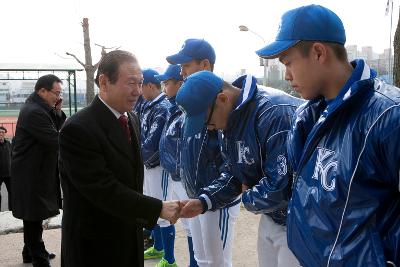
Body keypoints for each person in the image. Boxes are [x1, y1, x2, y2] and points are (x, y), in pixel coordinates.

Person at [255, 4, 400, 267]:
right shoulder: (308, 116)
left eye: (288, 63)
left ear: (319, 53)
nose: (286, 76)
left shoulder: (388, 115)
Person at [58, 50, 180, 267]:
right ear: (104, 82)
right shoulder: (78, 128)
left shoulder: (130, 118)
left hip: (127, 239)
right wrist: (157, 208)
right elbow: (102, 189)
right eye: (131, 83)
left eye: (140, 83)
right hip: (95, 246)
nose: (138, 91)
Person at [177, 71, 303, 267]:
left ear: (222, 99)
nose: (209, 128)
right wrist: (204, 201)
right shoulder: (229, 118)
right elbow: (235, 173)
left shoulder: (274, 112)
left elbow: (282, 186)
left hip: (298, 223)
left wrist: (248, 196)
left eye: (206, 121)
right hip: (272, 216)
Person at [167, 39, 240, 267]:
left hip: (216, 200)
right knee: (202, 259)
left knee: (217, 262)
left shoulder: (222, 107)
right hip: (196, 195)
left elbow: (231, 165)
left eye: (186, 66)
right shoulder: (191, 105)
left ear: (206, 65)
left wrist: (209, 197)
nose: (182, 72)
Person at [11, 74, 63, 267]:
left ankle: (29, 252)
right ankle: (39, 258)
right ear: (42, 91)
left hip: (35, 170)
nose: (58, 97)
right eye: (55, 93)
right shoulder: (34, 112)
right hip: (30, 172)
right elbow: (56, 139)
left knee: (34, 214)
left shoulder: (40, 108)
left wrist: (57, 112)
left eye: (60, 93)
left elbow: (54, 130)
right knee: (33, 215)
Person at [156, 64, 198, 267]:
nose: (164, 87)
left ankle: (192, 263)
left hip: (185, 177)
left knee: (194, 228)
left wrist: (179, 169)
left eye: (167, 83)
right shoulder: (172, 107)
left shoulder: (187, 109)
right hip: (175, 175)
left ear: (180, 84)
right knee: (189, 227)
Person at [139, 69, 178, 267]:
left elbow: (153, 144)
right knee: (152, 206)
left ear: (150, 86)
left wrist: (137, 155)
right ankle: (159, 248)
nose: (139, 90)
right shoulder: (149, 105)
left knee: (163, 207)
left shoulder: (161, 107)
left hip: (158, 166)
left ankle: (169, 259)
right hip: (148, 166)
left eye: (140, 85)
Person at [0, 126, 12, 211]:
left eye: (2, 132)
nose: (1, 134)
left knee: (12, 193)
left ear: (5, 134)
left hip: (9, 173)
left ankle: (12, 210)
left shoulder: (8, 144)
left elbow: (12, 156)